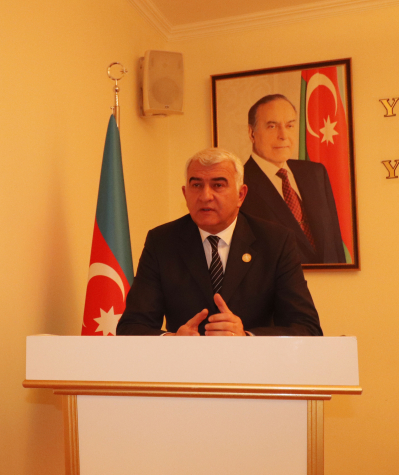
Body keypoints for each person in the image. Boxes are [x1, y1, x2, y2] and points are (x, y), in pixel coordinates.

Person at [117, 147, 322, 337]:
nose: (205, 196)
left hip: (252, 363)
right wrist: (173, 340)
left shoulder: (276, 241)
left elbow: (307, 328)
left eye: (218, 185)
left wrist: (246, 338)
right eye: (196, 185)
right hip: (185, 363)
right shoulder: (162, 242)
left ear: (241, 195)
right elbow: (131, 326)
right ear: (185, 194)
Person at [240, 94, 345, 264]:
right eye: (272, 126)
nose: (283, 135)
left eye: (289, 126)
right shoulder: (238, 185)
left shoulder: (315, 173)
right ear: (252, 133)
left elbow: (334, 242)